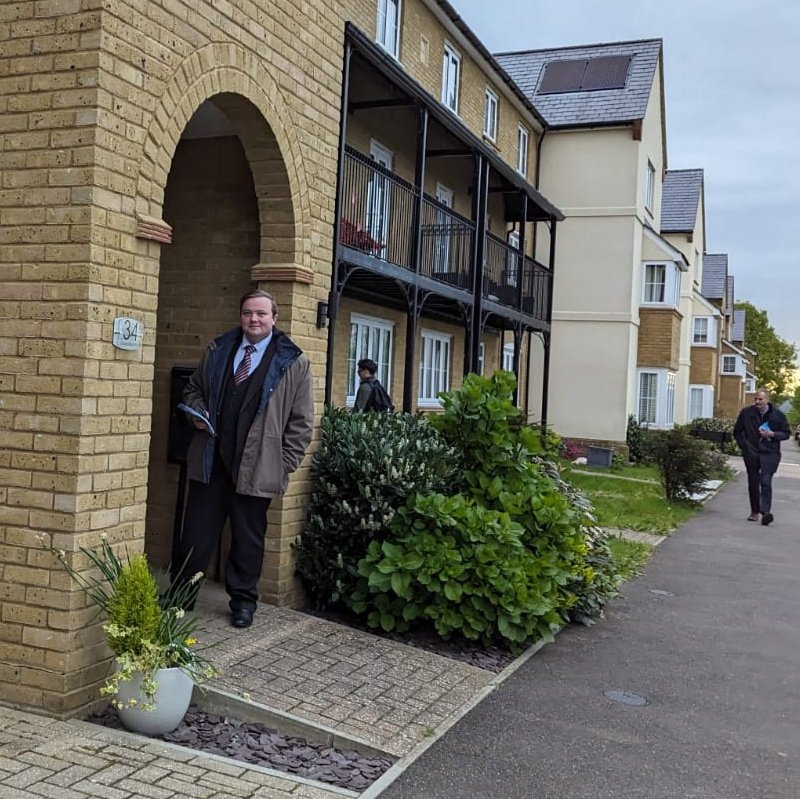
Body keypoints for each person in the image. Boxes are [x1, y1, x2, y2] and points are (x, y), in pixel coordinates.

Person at [172, 288, 314, 628]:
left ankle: (243, 603)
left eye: (261, 314)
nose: (254, 319)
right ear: (241, 316)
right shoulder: (219, 350)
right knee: (195, 534)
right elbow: (193, 388)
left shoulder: (294, 362)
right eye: (249, 313)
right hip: (211, 461)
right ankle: (180, 596)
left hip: (257, 468)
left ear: (274, 319)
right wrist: (196, 412)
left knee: (248, 540)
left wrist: (282, 466)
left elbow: (302, 423)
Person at [733, 387, 790, 526]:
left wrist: (773, 435)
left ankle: (765, 512)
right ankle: (754, 511)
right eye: (756, 399)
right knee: (753, 483)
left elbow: (786, 433)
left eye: (760, 399)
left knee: (765, 481)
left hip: (770, 453)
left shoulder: (778, 415)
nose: (757, 402)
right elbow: (737, 432)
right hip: (752, 452)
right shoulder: (746, 413)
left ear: (767, 400)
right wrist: (744, 447)